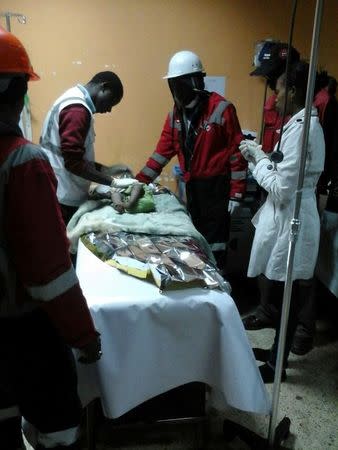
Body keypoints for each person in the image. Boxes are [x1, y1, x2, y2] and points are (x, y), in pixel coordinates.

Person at [0, 26, 101, 449]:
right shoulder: (22, 161)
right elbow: (48, 277)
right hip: (22, 325)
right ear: (16, 91)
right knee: (59, 424)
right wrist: (84, 334)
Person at [239, 61, 325, 383]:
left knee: (287, 296)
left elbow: (281, 188)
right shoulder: (298, 125)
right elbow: (282, 170)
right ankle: (277, 352)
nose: (273, 98)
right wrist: (261, 155)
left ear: (291, 90)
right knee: (280, 293)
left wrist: (257, 160)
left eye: (276, 90)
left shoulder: (304, 130)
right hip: (288, 214)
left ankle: (277, 365)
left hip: (294, 220)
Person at [135, 50, 247, 273]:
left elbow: (237, 153)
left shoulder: (221, 108)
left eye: (181, 84)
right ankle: (201, 278)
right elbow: (160, 154)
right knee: (196, 236)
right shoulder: (175, 115)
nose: (177, 91)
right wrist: (137, 183)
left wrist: (237, 193)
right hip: (193, 186)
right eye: (173, 85)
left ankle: (218, 284)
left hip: (217, 187)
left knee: (215, 242)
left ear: (196, 81)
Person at [40, 71, 124, 225]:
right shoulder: (77, 110)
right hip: (63, 194)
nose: (109, 110)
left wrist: (105, 169)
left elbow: (76, 155)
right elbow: (73, 163)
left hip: (59, 188)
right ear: (103, 87)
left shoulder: (74, 99)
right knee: (65, 244)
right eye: (111, 102)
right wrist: (113, 182)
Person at [89, 164, 156, 214]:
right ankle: (118, 205)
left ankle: (130, 203)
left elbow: (149, 187)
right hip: (126, 205)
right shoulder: (113, 189)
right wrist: (99, 195)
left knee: (137, 186)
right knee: (114, 195)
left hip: (139, 200)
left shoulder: (133, 182)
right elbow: (107, 195)